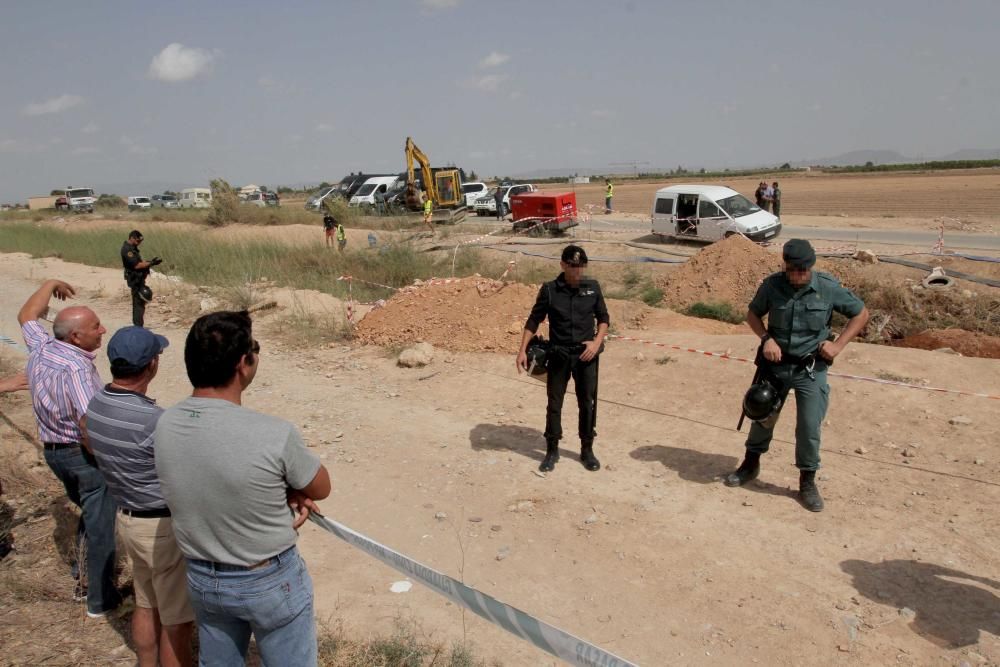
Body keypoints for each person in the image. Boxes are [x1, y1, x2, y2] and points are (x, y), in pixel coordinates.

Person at [154, 311, 331, 665]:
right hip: (268, 578)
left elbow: (210, 472)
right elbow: (321, 486)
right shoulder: (273, 433)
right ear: (242, 364)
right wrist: (286, 487)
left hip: (204, 577)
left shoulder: (166, 422)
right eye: (254, 349)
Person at [725, 239, 869, 512]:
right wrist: (766, 338)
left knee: (808, 426)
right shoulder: (772, 285)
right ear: (785, 266)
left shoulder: (826, 287)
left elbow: (861, 313)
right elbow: (752, 314)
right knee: (762, 414)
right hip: (775, 366)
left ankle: (807, 481)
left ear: (810, 266)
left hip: (810, 369)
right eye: (792, 270)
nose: (798, 275)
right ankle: (750, 464)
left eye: (803, 270)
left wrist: (838, 346)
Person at [86, 326, 194, 667]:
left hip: (128, 517)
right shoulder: (153, 421)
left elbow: (85, 435)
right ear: (151, 366)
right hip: (160, 527)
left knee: (147, 603)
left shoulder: (98, 403)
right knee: (177, 619)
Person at [17, 278, 122, 617]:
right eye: (96, 327)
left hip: (53, 453)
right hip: (80, 455)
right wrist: (106, 457)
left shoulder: (44, 347)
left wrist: (49, 284)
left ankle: (82, 571)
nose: (103, 330)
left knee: (91, 514)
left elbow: (26, 316)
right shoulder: (77, 368)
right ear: (76, 336)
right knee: (102, 523)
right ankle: (100, 599)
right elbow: (89, 422)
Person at [516, 245, 609, 473]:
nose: (577, 272)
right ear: (563, 265)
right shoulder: (549, 290)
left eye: (581, 267)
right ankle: (551, 449)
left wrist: (596, 343)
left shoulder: (592, 288)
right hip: (558, 354)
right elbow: (533, 320)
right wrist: (521, 350)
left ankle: (587, 450)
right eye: (573, 267)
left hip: (586, 355)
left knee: (587, 403)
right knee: (554, 403)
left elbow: (604, 318)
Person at [121, 230, 162, 328]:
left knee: (141, 302)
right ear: (132, 238)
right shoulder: (127, 250)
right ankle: (138, 326)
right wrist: (151, 263)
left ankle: (139, 325)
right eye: (138, 241)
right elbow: (137, 265)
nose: (139, 243)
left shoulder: (133, 248)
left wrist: (149, 262)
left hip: (139, 278)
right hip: (134, 279)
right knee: (138, 303)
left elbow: (140, 262)